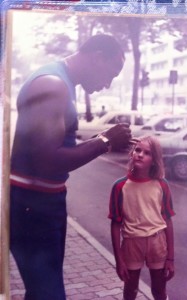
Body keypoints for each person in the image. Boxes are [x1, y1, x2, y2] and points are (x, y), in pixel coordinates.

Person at [10, 34, 132, 300]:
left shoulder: (61, 81)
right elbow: (46, 161)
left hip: (41, 203)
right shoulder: (53, 85)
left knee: (42, 289)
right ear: (98, 57)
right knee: (49, 293)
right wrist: (104, 141)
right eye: (110, 74)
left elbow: (52, 144)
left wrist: (99, 141)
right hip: (34, 206)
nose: (107, 84)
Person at [108, 135, 175, 300]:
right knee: (130, 291)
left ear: (154, 160)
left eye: (147, 153)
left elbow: (167, 221)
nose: (140, 154)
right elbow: (116, 225)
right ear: (132, 153)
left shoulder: (162, 185)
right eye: (137, 150)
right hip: (132, 243)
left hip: (157, 242)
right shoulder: (119, 186)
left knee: (158, 291)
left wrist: (171, 258)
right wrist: (119, 260)